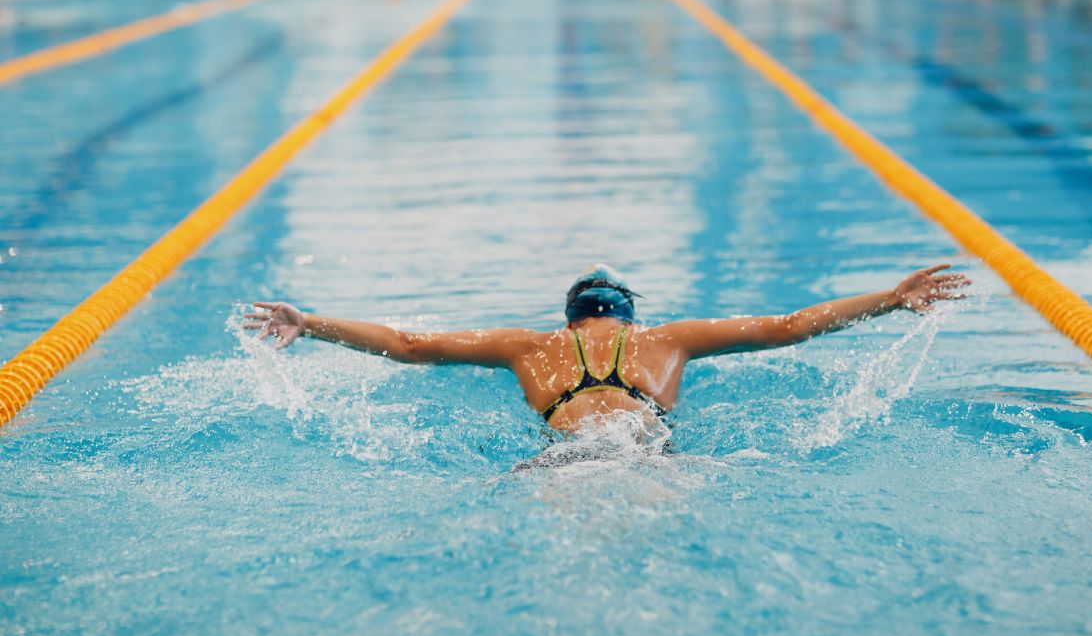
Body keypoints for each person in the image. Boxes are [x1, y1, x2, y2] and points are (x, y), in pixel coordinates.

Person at [245, 263, 970, 433]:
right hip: (645, 445)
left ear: (571, 319)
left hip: (560, 454)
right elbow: (788, 326)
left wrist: (309, 322)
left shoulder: (529, 348)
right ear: (626, 316)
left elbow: (409, 344)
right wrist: (889, 299)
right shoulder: (664, 341)